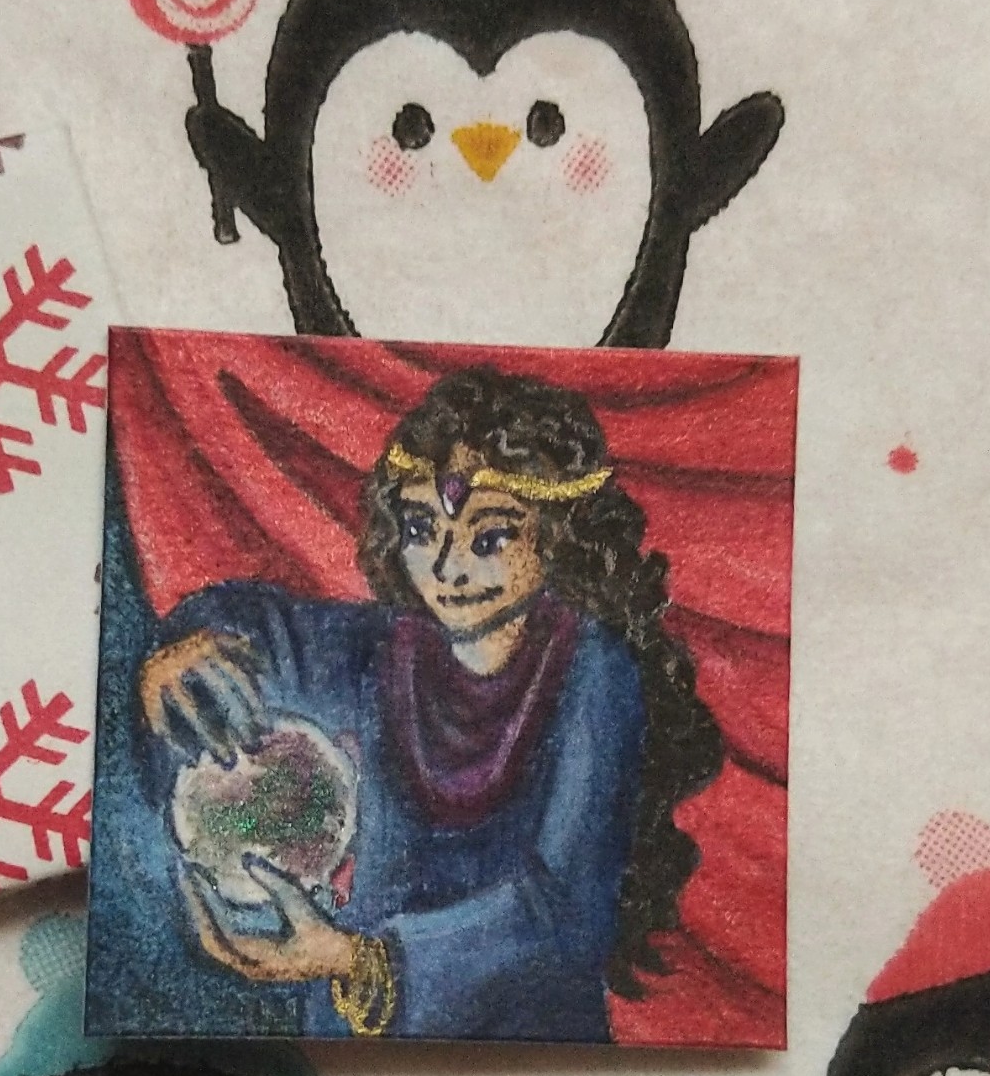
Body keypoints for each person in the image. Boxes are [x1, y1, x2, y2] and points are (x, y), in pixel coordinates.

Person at [136, 367, 723, 1040]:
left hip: (522, 1040)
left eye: (489, 538)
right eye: (421, 528)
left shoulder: (593, 671)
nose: (446, 568)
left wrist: (358, 958)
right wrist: (179, 657)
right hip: (352, 1033)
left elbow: (563, 912)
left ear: (560, 537)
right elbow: (265, 629)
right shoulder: (388, 646)